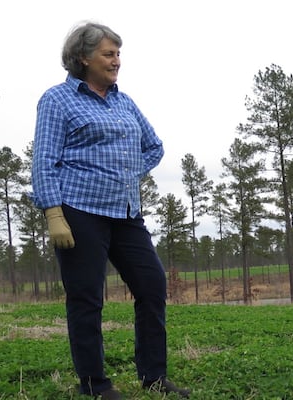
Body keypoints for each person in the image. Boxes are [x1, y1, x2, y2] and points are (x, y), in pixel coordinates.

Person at [32, 22, 190, 399]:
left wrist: (124, 171)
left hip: (126, 212)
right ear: (83, 57)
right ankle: (95, 385)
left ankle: (154, 378)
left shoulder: (123, 101)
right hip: (79, 211)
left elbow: (154, 146)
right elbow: (43, 160)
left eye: (118, 53)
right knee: (87, 298)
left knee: (152, 286)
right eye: (108, 54)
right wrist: (53, 213)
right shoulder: (57, 100)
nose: (116, 60)